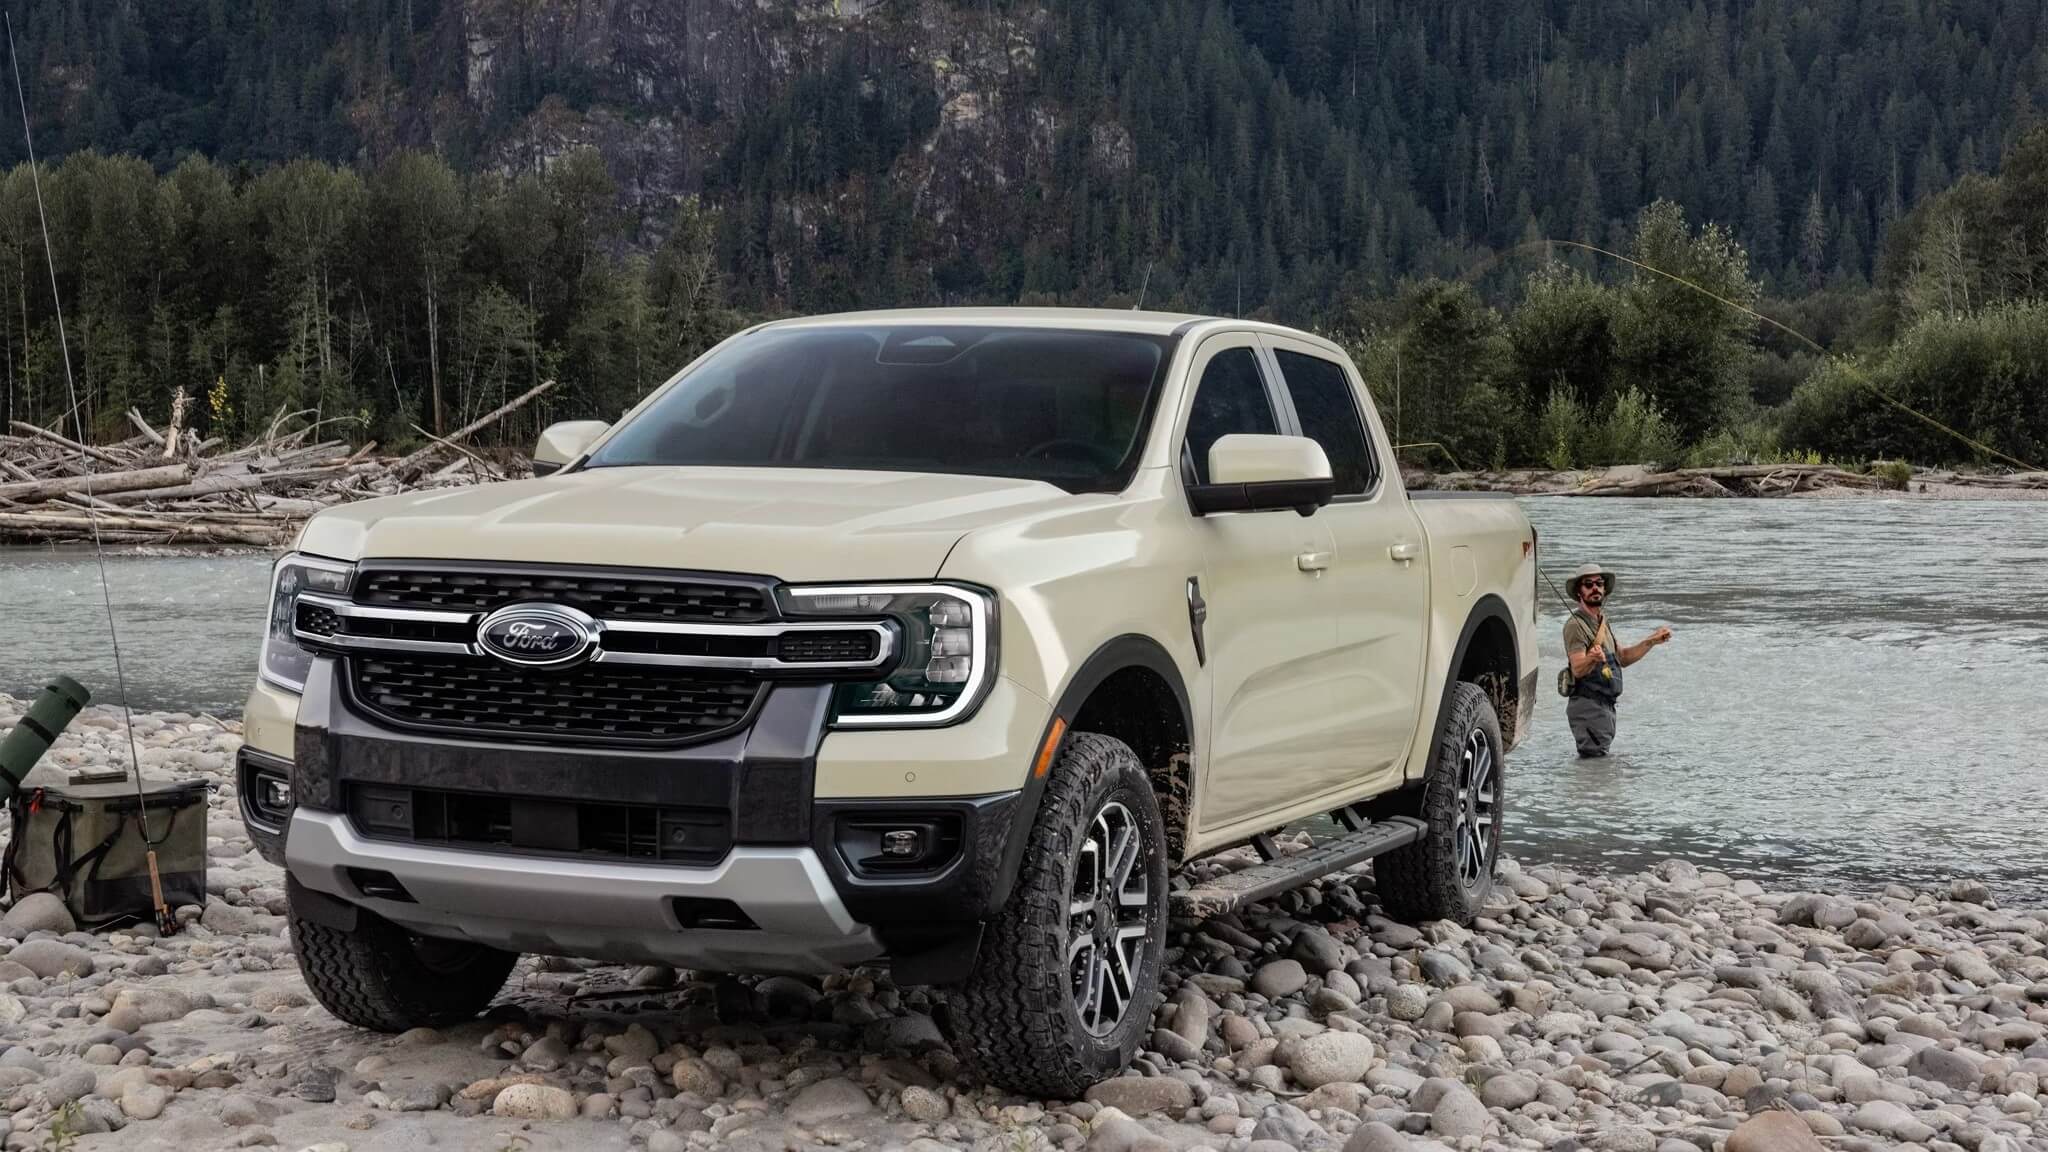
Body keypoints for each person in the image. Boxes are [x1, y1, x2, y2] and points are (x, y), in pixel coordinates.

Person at [1562, 563, 1672, 758]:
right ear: (1579, 592)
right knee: (1593, 764)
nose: (1595, 588)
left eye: (1599, 583)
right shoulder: (1575, 626)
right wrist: (1592, 658)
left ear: (1604, 589)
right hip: (1588, 708)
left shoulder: (1602, 622)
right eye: (1588, 584)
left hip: (1605, 708)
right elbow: (1577, 669)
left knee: (1598, 765)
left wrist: (1651, 641)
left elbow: (1622, 658)